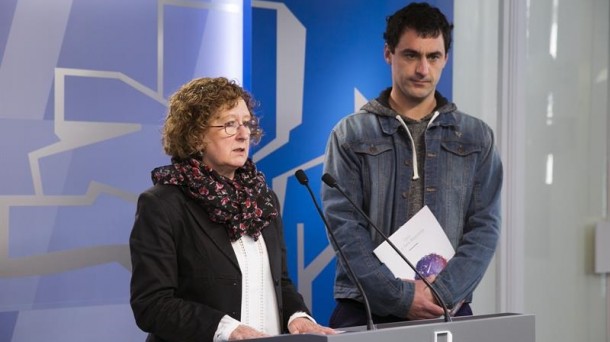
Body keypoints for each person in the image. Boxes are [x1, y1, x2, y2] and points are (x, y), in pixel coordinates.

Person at [321, 2, 503, 328]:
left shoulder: (476, 137)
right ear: (388, 54)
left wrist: (440, 294)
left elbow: (485, 228)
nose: (423, 69)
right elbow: (344, 229)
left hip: (445, 307)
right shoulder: (350, 134)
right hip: (365, 308)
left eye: (433, 57)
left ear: (445, 59)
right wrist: (400, 297)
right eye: (411, 55)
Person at [129, 77, 335, 341]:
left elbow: (278, 282)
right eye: (229, 124)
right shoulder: (163, 204)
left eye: (246, 123)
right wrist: (226, 329)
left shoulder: (262, 200)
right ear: (195, 135)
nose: (243, 134)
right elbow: (152, 304)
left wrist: (298, 317)